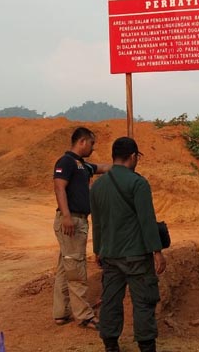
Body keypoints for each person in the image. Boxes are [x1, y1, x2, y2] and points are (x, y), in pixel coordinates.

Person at [90, 137, 166, 352]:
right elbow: (147, 220)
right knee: (143, 302)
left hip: (110, 255)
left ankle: (111, 345)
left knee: (111, 301)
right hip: (137, 256)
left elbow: (97, 222)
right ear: (133, 156)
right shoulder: (138, 183)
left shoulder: (98, 185)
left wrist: (97, 250)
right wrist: (157, 252)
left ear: (114, 156)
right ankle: (146, 345)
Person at [52, 127, 110, 329]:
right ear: (82, 141)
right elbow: (59, 186)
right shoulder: (66, 162)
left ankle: (61, 313)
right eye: (92, 143)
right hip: (72, 222)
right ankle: (85, 316)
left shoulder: (82, 165)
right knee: (76, 267)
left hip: (78, 220)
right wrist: (66, 216)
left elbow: (102, 168)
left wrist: (120, 166)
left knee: (64, 267)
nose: (93, 148)